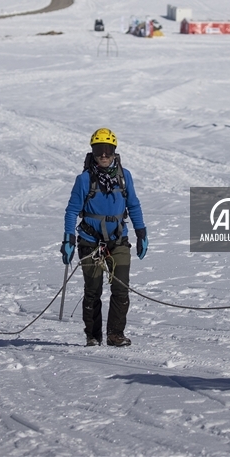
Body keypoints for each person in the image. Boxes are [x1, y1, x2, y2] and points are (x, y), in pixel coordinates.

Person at [62, 128, 148, 347]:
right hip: (90, 241)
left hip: (118, 240)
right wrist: (68, 239)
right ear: (93, 151)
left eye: (107, 149)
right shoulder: (84, 179)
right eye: (99, 149)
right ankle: (93, 336)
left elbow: (134, 205)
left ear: (114, 151)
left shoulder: (124, 176)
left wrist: (141, 232)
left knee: (121, 289)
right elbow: (72, 210)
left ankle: (115, 334)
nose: (103, 154)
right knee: (93, 290)